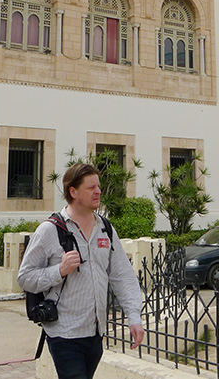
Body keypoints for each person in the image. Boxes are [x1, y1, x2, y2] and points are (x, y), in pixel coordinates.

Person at [18, 162, 144, 379]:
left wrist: (134, 317)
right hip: (64, 334)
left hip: (95, 333)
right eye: (91, 187)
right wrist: (59, 270)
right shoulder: (50, 230)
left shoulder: (105, 228)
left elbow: (123, 276)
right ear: (73, 192)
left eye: (98, 186)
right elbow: (25, 277)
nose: (98, 191)